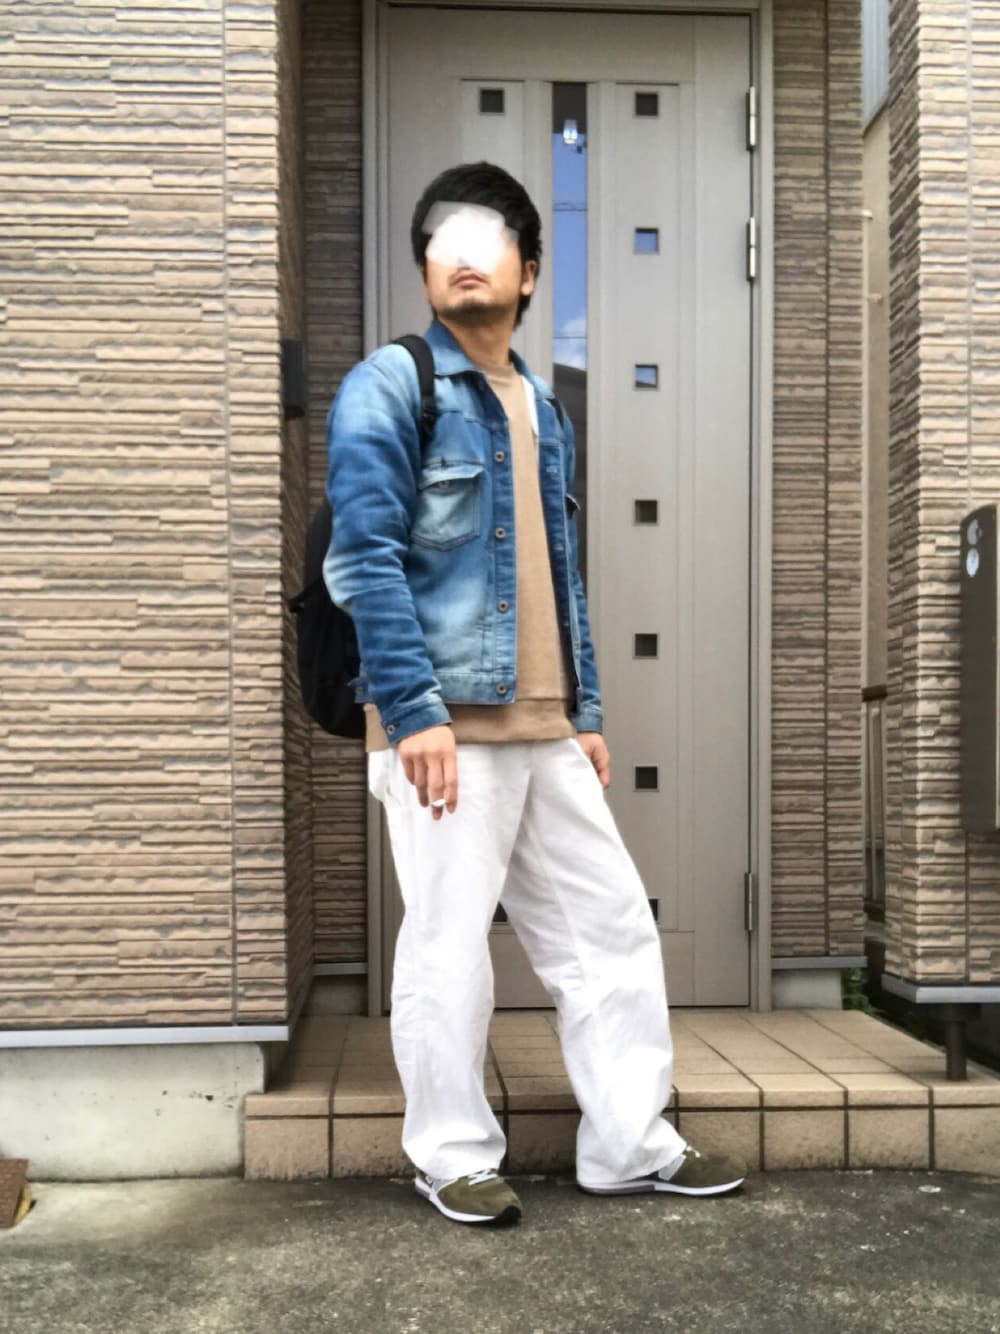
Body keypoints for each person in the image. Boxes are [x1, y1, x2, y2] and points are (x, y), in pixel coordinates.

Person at [323, 162, 748, 1225]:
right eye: (442, 239)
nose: (461, 254)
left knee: (610, 928)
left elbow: (562, 574)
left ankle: (629, 1142)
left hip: (542, 724)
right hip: (441, 723)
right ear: (426, 268)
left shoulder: (545, 407)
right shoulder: (391, 383)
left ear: (527, 268)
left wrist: (583, 713)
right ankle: (451, 1153)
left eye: (486, 236)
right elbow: (363, 558)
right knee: (448, 943)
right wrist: (411, 710)